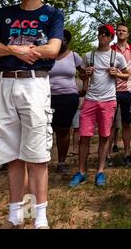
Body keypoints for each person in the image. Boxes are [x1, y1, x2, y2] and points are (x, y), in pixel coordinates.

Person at [0, 0, 64, 229]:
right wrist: (14, 51)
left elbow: (53, 49)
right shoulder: (3, 14)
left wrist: (19, 50)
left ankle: (40, 217)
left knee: (37, 154)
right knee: (11, 154)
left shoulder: (53, 14)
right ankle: (14, 214)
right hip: (2, 83)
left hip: (34, 85)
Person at [68, 24, 128, 188]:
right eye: (100, 33)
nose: (102, 35)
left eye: (106, 33)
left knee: (104, 136)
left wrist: (117, 73)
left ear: (111, 37)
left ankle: (100, 171)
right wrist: (85, 73)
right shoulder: (88, 55)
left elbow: (127, 75)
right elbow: (80, 73)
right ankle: (81, 171)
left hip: (108, 101)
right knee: (84, 136)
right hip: (90, 100)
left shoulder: (117, 57)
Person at [48, 29, 83, 175]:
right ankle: (42, 161)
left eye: (63, 39)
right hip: (47, 97)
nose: (60, 42)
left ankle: (61, 162)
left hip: (68, 98)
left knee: (63, 130)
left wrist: (84, 88)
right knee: (46, 130)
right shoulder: (47, 55)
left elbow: (84, 72)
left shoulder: (74, 56)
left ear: (67, 41)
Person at [110, 23, 131, 167]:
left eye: (124, 30)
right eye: (119, 30)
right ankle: (108, 155)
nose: (121, 32)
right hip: (111, 91)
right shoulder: (110, 50)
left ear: (128, 34)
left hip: (128, 92)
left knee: (126, 124)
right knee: (110, 124)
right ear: (116, 33)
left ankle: (127, 154)